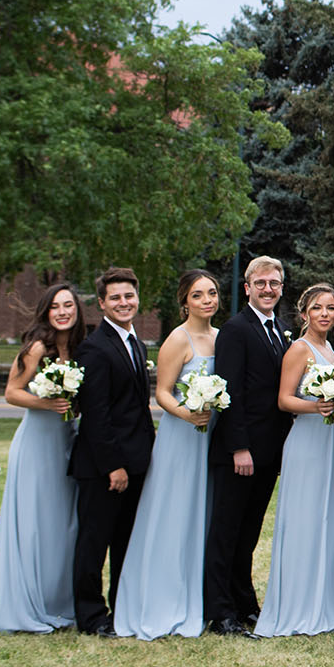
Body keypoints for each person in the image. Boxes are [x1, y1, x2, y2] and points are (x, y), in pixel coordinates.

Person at [0, 283, 83, 633]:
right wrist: (48, 403)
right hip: (36, 445)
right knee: (33, 523)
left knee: (62, 525)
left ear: (77, 311)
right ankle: (24, 603)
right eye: (56, 306)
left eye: (69, 306)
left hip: (66, 441)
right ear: (46, 311)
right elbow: (11, 393)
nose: (63, 312)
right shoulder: (37, 347)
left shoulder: (76, 349)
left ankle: (56, 602)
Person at [114, 269, 222, 639]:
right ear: (185, 302)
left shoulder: (221, 338)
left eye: (211, 293)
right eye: (198, 295)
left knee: (201, 514)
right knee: (173, 513)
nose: (207, 300)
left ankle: (197, 597)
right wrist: (186, 414)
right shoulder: (178, 339)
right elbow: (161, 392)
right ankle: (160, 599)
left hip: (210, 437)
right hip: (181, 435)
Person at [203, 255, 293, 635]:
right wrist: (239, 447)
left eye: (274, 283)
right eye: (261, 283)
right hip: (239, 452)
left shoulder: (280, 330)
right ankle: (220, 610)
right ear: (247, 288)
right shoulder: (236, 330)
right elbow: (230, 392)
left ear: (281, 288)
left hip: (269, 450)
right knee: (226, 532)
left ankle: (244, 602)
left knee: (249, 532)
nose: (268, 289)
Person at [257, 283, 334, 636]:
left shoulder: (330, 349)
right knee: (304, 521)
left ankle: (322, 602)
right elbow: (283, 399)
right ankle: (295, 605)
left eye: (330, 308)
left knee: (326, 520)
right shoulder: (300, 349)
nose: (324, 314)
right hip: (307, 444)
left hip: (330, 444)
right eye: (317, 308)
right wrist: (316, 405)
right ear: (304, 313)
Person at [69, 267, 154, 637]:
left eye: (129, 296)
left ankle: (122, 608)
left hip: (135, 462)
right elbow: (96, 416)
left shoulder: (137, 343)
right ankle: (90, 617)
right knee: (94, 543)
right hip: (103, 466)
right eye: (115, 297)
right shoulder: (94, 348)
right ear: (102, 303)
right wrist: (114, 466)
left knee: (125, 541)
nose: (124, 302)